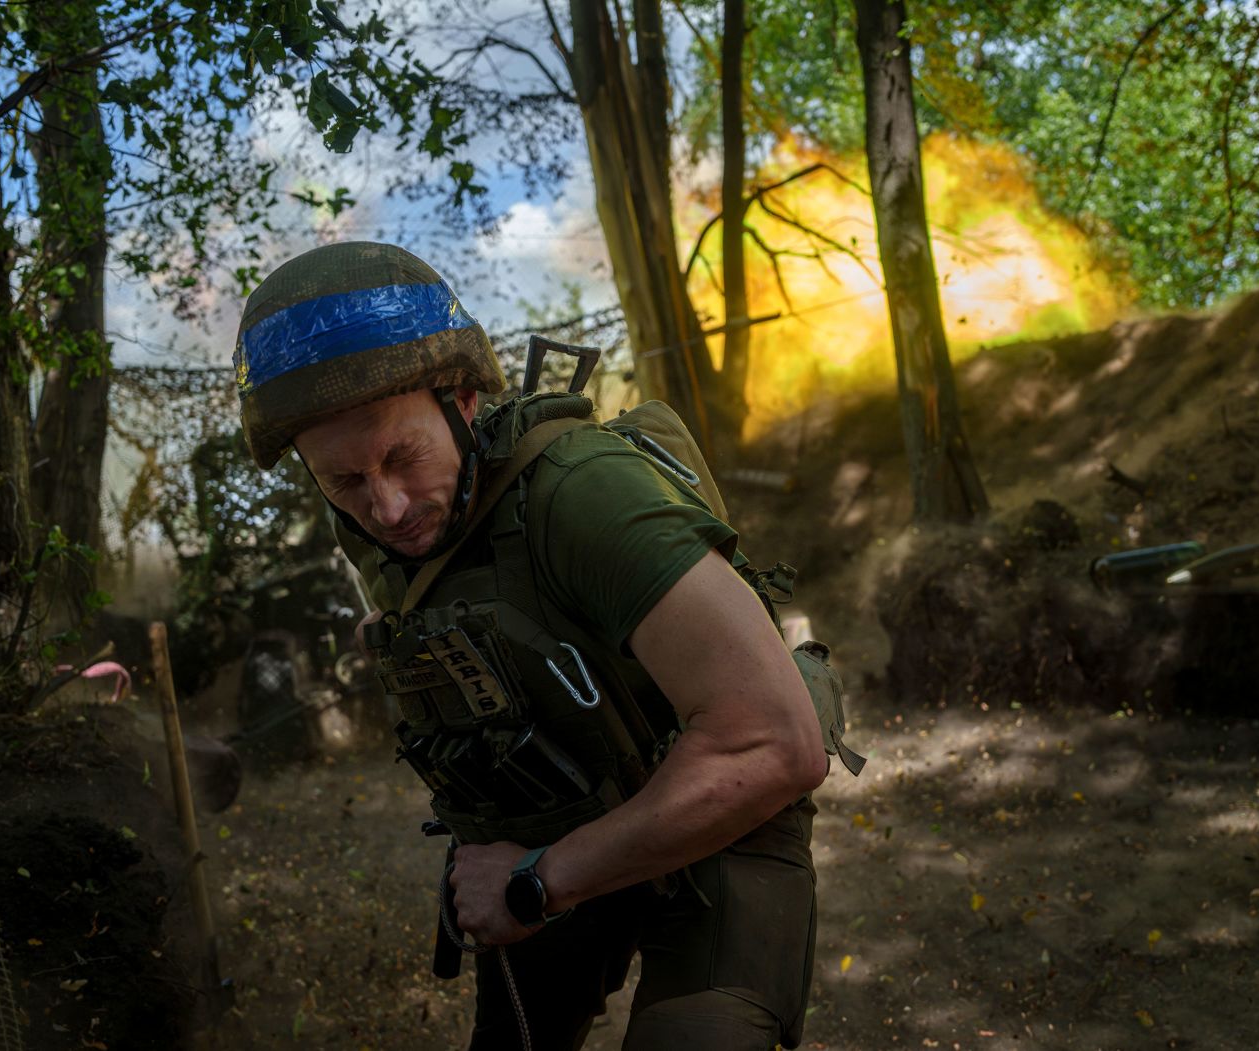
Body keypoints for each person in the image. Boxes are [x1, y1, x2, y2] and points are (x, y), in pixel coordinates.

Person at [234, 241, 829, 1050]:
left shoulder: (586, 494)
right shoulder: (377, 534)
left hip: (719, 819)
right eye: (344, 481)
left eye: (401, 457)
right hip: (557, 824)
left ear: (465, 397)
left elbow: (776, 745)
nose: (388, 505)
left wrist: (535, 882)